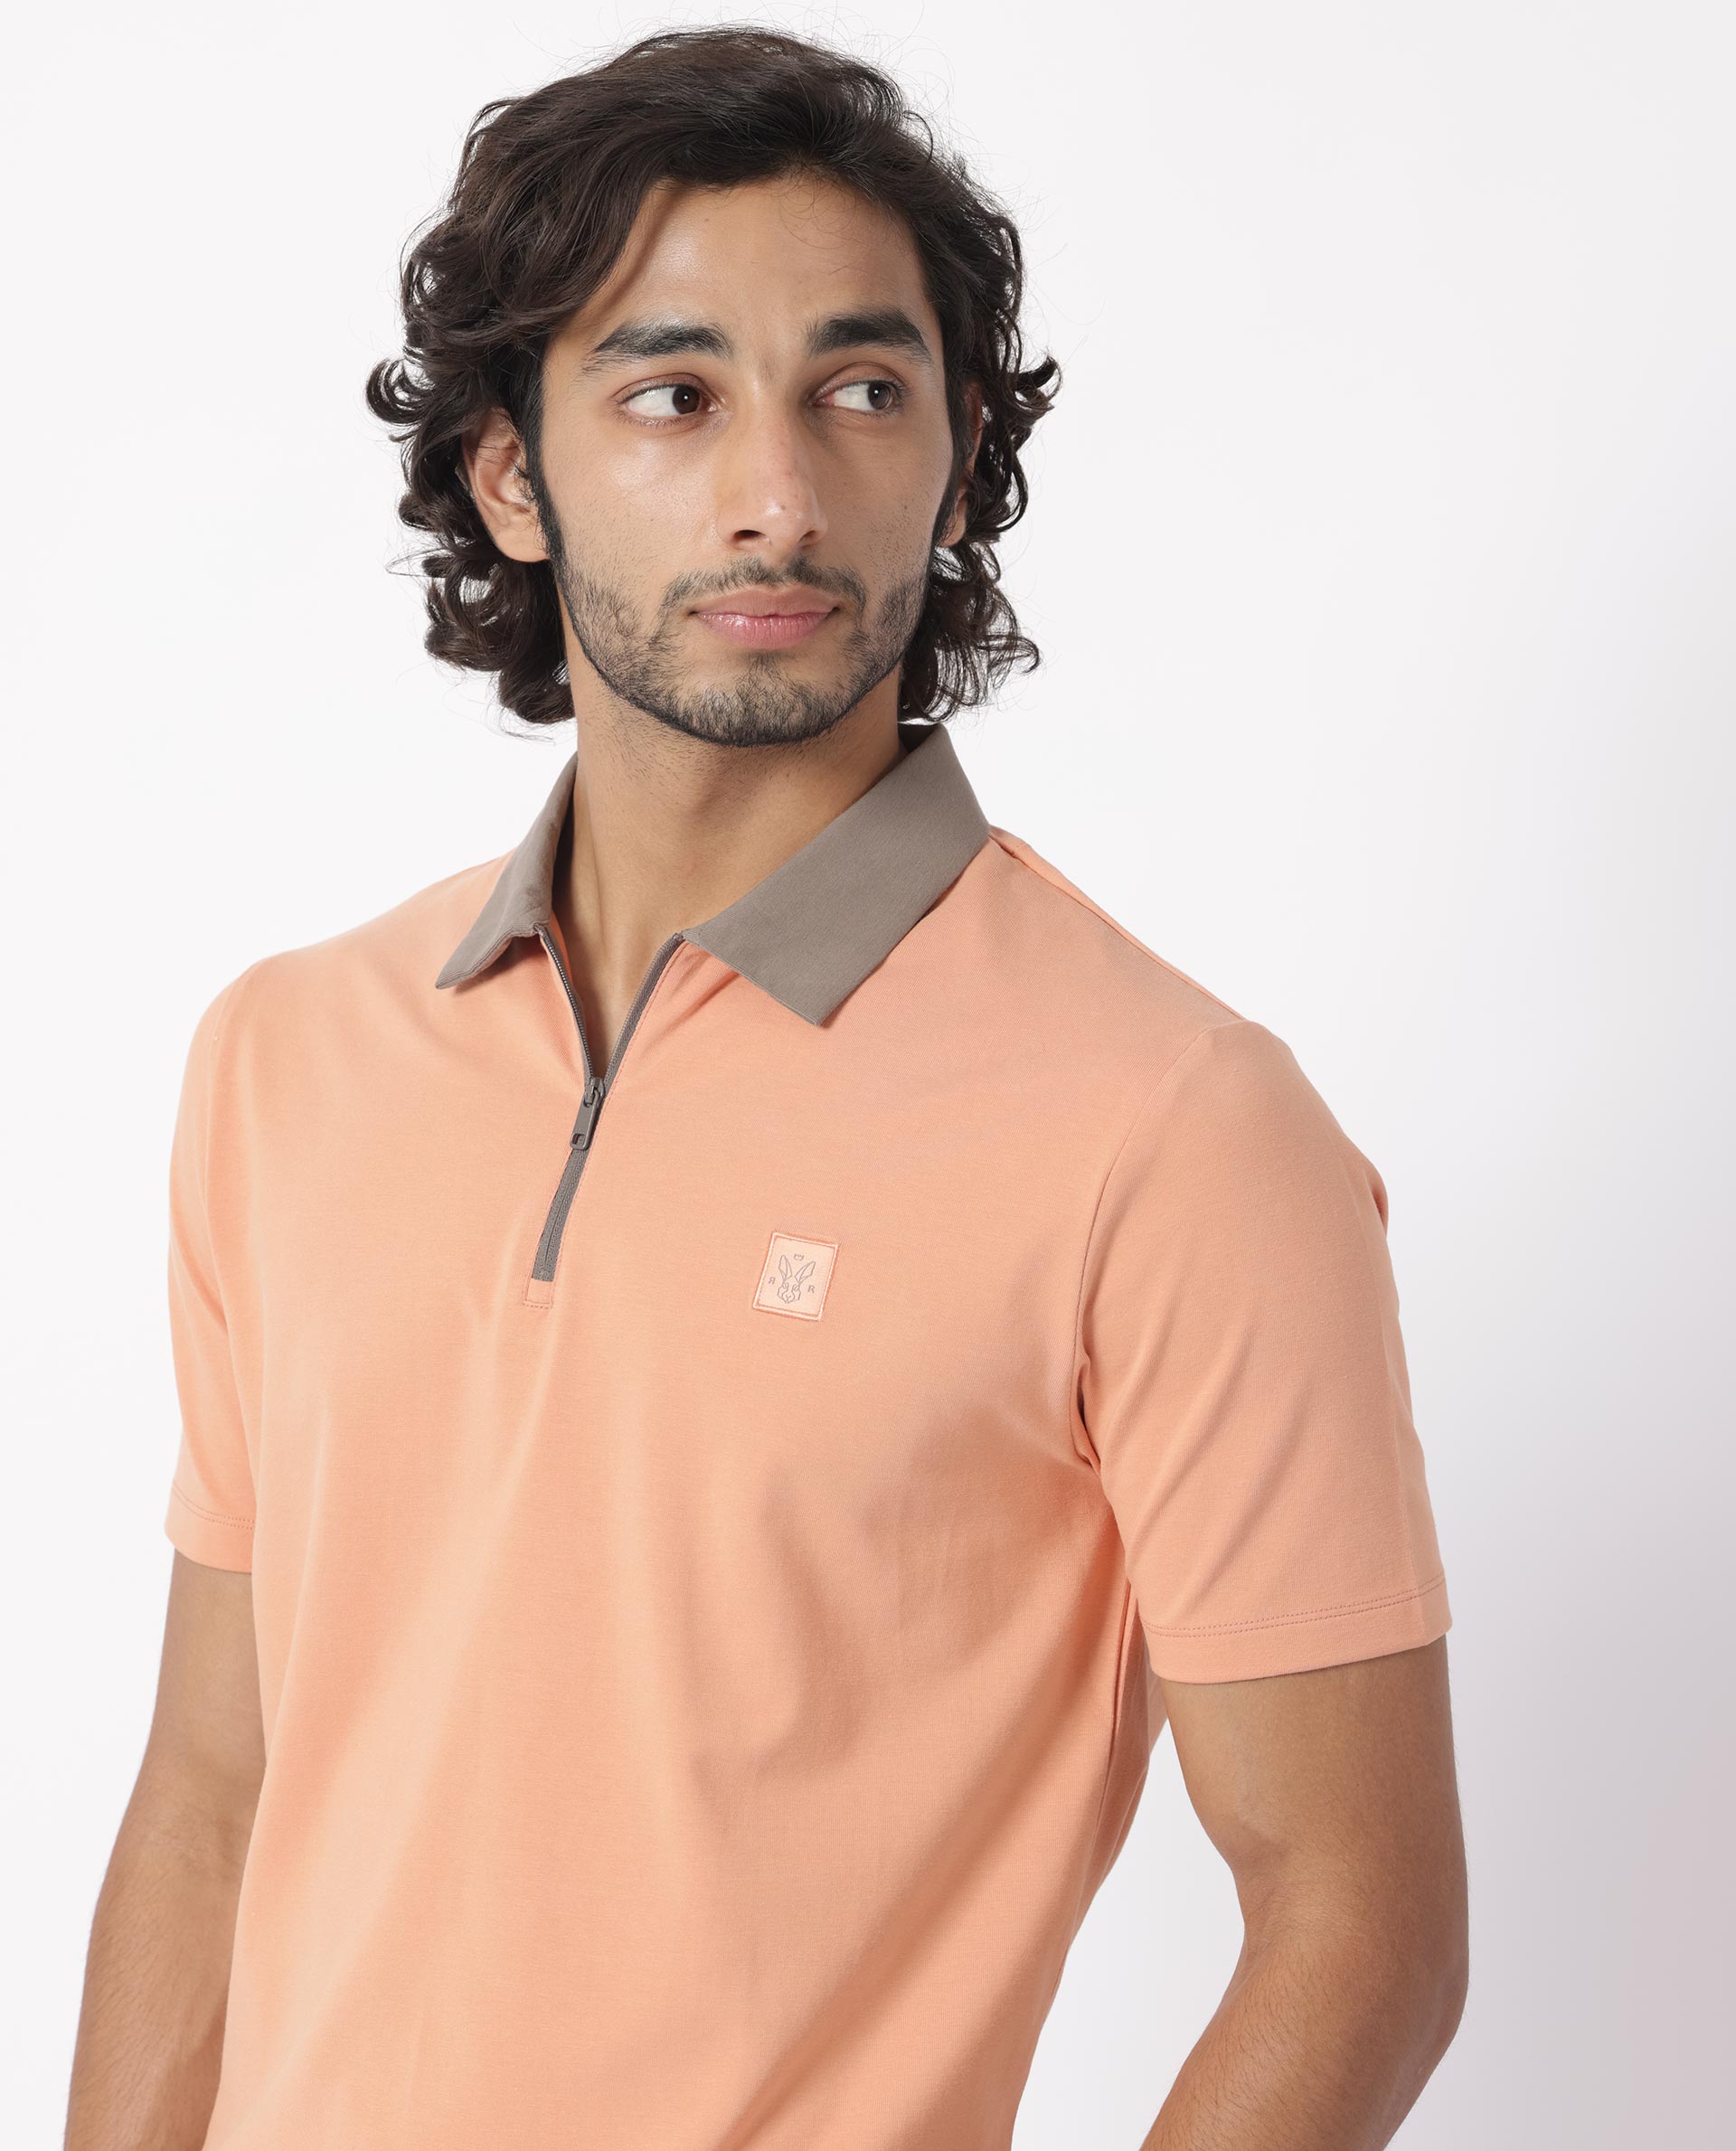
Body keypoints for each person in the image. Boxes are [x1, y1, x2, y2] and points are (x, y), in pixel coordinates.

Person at [65, 26, 1466, 2151]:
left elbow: (1357, 1915)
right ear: (511, 474)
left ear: (958, 459)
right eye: (674, 393)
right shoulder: (286, 1055)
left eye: (863, 389)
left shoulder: (1177, 1126)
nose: (780, 496)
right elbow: (210, 1794)